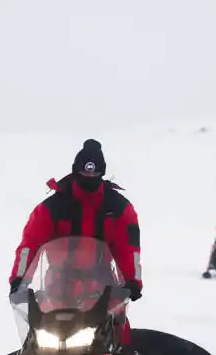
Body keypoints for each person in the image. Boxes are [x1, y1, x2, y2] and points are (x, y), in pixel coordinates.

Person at [9, 138, 143, 326]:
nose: (89, 177)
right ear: (75, 170)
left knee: (118, 333)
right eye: (84, 171)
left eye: (95, 172)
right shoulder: (52, 207)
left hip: (103, 292)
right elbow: (29, 244)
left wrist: (132, 281)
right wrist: (19, 279)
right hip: (57, 291)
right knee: (40, 338)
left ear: (102, 173)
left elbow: (129, 249)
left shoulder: (118, 208)